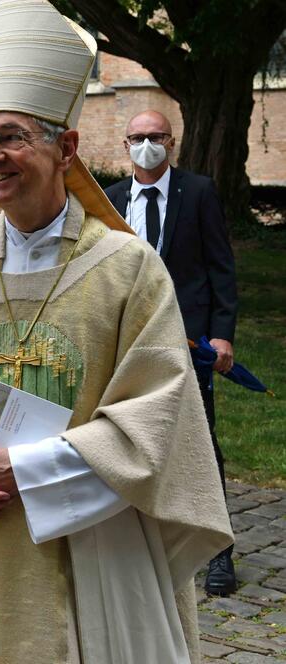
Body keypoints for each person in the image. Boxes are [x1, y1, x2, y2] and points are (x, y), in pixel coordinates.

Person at [0, 1, 232, 661]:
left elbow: (157, 418)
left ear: (67, 149)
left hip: (89, 551)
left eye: (11, 137)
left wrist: (26, 470)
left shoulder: (126, 271)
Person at [104, 109, 239, 596]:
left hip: (188, 337)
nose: (147, 145)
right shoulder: (113, 200)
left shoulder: (198, 192)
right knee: (130, 434)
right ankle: (139, 537)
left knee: (198, 436)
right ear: (126, 146)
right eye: (137, 138)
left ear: (172, 143)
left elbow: (220, 267)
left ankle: (218, 552)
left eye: (155, 137)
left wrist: (222, 333)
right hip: (129, 339)